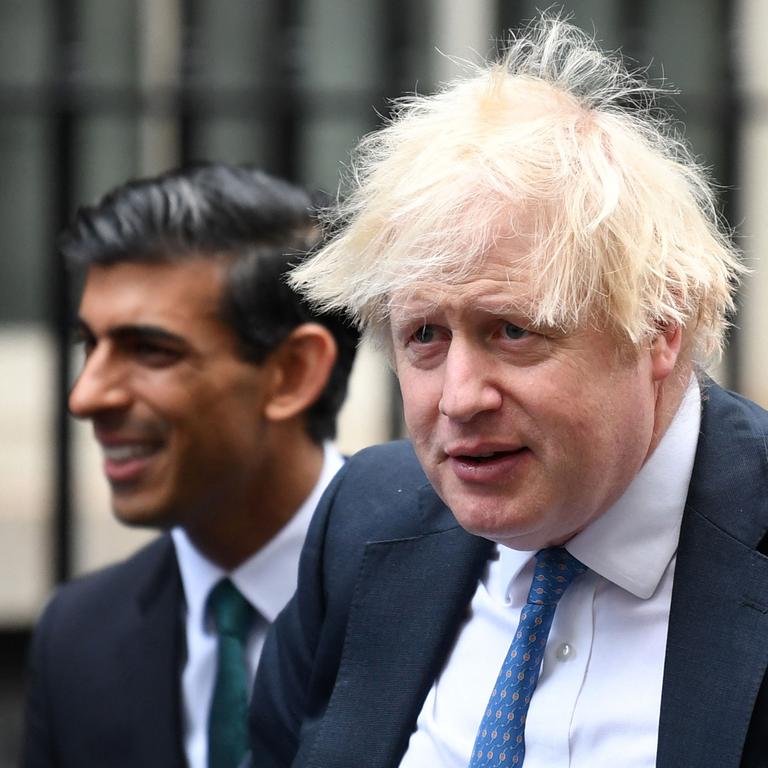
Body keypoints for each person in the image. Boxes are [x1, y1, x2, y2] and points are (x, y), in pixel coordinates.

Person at [247, 15, 768, 768]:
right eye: (424, 335)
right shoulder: (363, 521)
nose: (459, 397)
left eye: (512, 332)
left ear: (661, 330)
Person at [21, 163, 359, 768]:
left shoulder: (457, 596)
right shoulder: (76, 639)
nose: (85, 397)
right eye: (89, 345)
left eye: (149, 350)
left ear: (293, 373)